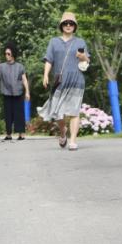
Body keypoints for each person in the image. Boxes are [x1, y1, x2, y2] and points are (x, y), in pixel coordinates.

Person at [38, 12, 90, 151]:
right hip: (59, 81)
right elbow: (49, 60)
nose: (68, 25)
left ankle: (72, 141)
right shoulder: (54, 41)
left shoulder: (80, 42)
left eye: (71, 23)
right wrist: (45, 75)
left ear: (74, 26)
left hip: (76, 80)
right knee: (57, 112)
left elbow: (87, 60)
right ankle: (63, 131)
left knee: (74, 112)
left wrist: (82, 56)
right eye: (65, 23)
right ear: (61, 25)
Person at [0, 44, 30, 140]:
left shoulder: (20, 66)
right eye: (5, 54)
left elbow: (24, 80)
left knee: (19, 114)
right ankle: (8, 134)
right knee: (8, 114)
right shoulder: (1, 66)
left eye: (8, 53)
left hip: (18, 93)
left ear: (13, 54)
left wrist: (27, 92)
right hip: (6, 93)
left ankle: (21, 134)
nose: (6, 55)